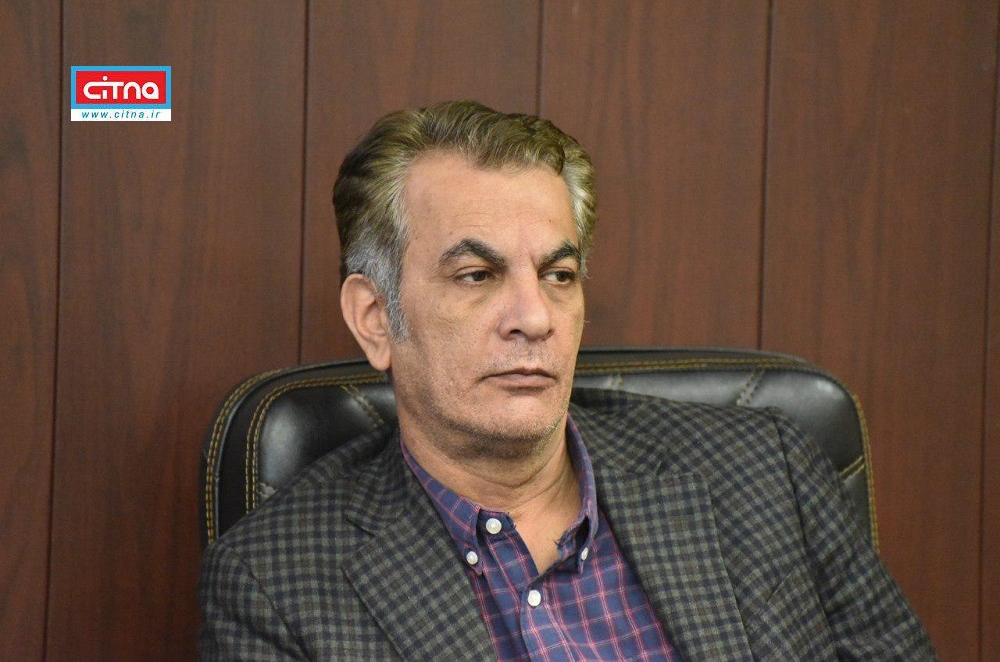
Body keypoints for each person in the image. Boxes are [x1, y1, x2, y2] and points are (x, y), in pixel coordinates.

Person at [199, 100, 935, 660]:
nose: (534, 317)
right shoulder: (276, 584)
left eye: (558, 274)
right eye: (477, 275)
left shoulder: (765, 471)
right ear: (375, 320)